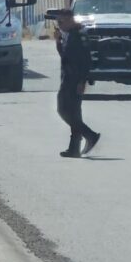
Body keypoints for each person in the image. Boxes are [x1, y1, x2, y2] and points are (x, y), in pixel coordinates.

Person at [55, 9, 100, 158]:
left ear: (70, 20)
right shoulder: (69, 35)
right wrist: (58, 42)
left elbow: (86, 61)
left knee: (63, 110)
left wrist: (82, 81)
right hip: (68, 78)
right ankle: (74, 148)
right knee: (73, 113)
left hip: (74, 80)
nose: (59, 25)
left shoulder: (79, 35)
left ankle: (90, 135)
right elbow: (65, 58)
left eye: (61, 22)